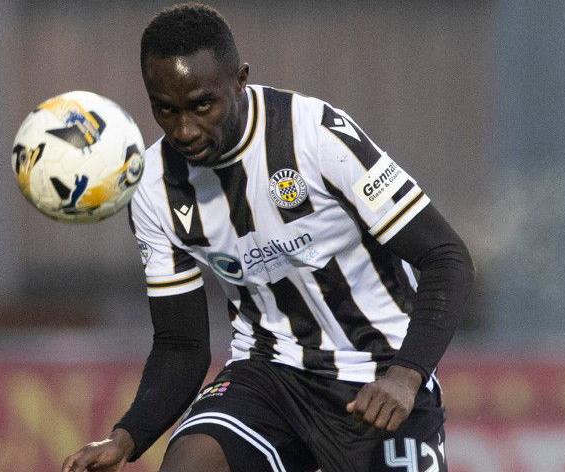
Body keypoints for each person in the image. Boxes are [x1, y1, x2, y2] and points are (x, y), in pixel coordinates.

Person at [62, 3, 474, 471]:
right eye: (165, 109)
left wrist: (407, 375)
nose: (183, 128)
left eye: (202, 105)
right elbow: (182, 344)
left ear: (240, 80)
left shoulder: (314, 135)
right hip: (269, 374)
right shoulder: (152, 187)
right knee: (193, 462)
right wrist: (126, 436)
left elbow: (446, 257)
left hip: (379, 376)